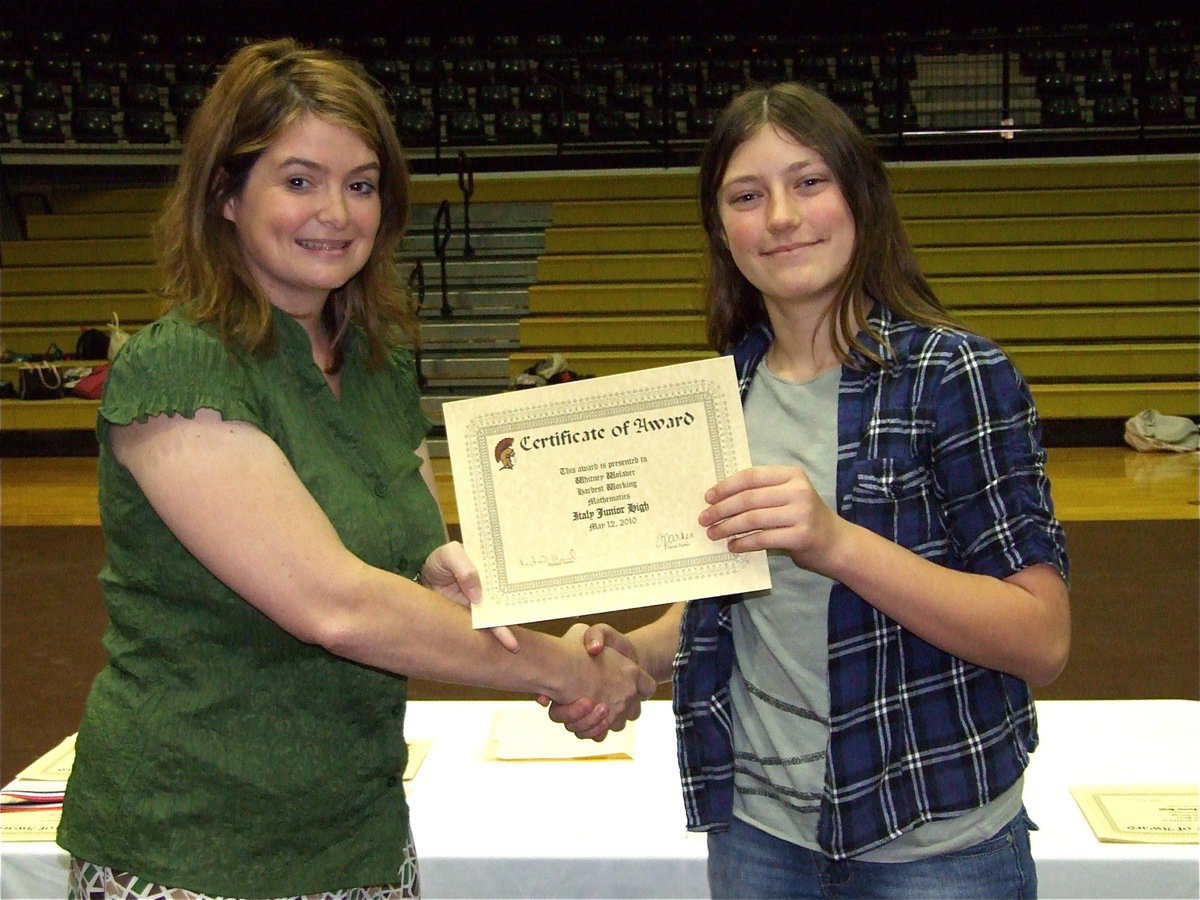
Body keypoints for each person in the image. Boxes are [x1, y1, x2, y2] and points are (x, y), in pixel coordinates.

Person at [57, 39, 654, 900]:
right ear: (226, 194)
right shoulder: (179, 369)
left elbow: (399, 549)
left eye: (361, 183)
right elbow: (334, 604)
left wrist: (437, 566)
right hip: (190, 843)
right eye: (299, 180)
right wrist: (561, 671)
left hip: (357, 832)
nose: (335, 212)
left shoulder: (375, 363)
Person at [546, 82, 1070, 899]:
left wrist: (838, 544)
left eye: (809, 182)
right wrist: (635, 655)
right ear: (723, 230)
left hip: (934, 841)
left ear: (859, 197)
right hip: (759, 835)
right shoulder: (719, 400)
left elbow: (1042, 637)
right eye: (747, 196)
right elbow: (723, 600)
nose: (782, 217)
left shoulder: (957, 376)